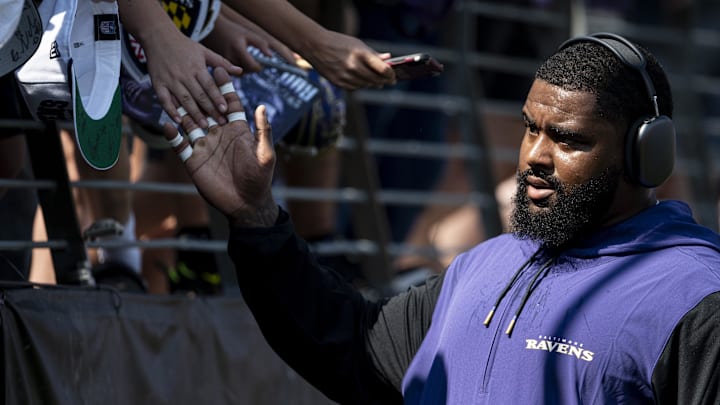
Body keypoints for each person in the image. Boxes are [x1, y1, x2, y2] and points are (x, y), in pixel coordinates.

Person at [179, 32, 720, 403]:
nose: (534, 155)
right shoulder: (487, 265)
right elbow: (351, 349)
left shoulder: (695, 298)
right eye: (531, 128)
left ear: (646, 155)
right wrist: (256, 217)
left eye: (568, 139)